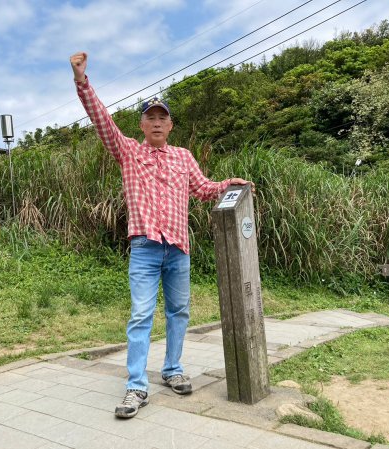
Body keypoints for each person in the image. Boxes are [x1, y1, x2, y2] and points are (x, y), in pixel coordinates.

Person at [70, 52, 253, 419]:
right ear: (141, 124)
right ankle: (136, 386)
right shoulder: (128, 152)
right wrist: (81, 81)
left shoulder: (183, 157)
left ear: (170, 125)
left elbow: (202, 188)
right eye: (150, 117)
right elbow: (101, 120)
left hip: (178, 249)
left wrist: (226, 185)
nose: (156, 122)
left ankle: (172, 370)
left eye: (162, 118)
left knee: (179, 311)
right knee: (141, 315)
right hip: (145, 248)